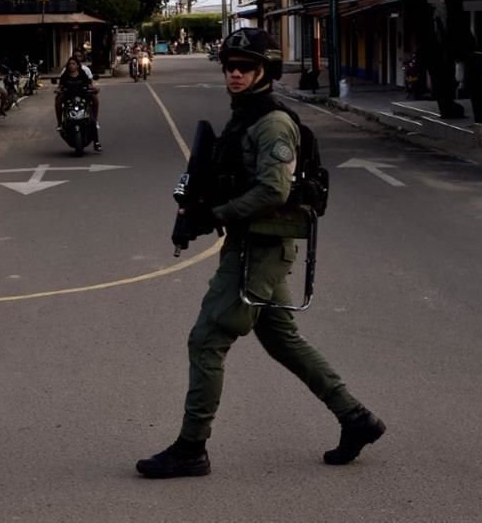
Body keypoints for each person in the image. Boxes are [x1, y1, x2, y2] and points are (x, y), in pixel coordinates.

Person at [135, 28, 385, 479]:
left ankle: (192, 448)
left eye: (245, 67)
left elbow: (274, 188)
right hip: (253, 242)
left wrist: (219, 213)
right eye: (230, 66)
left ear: (263, 71)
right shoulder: (245, 115)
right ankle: (357, 419)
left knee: (207, 339)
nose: (234, 73)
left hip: (261, 246)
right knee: (281, 339)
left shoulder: (272, 122)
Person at [55, 56, 101, 152]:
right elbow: (60, 86)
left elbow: (89, 85)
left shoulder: (82, 74)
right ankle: (59, 122)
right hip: (69, 97)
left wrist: (94, 89)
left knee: (94, 101)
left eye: (73, 64)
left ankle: (96, 141)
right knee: (58, 100)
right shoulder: (65, 75)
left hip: (82, 96)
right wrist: (58, 90)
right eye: (70, 64)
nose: (71, 66)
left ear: (77, 65)